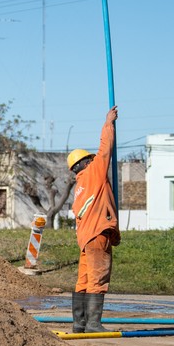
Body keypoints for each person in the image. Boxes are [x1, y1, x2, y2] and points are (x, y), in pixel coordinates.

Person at [66, 105, 120, 333]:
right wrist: (108, 122)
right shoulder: (93, 173)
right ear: (85, 163)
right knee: (98, 279)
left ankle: (79, 323)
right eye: (90, 159)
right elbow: (105, 149)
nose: (93, 160)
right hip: (98, 236)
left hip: (86, 241)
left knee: (84, 281)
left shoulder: (79, 189)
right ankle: (94, 324)